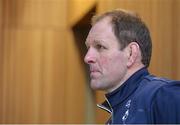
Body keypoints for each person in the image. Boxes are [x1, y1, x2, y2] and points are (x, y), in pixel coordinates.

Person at [84, 9, 180, 124]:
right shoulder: (113, 119)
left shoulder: (165, 96)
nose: (87, 58)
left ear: (131, 53)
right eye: (88, 48)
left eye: (100, 46)